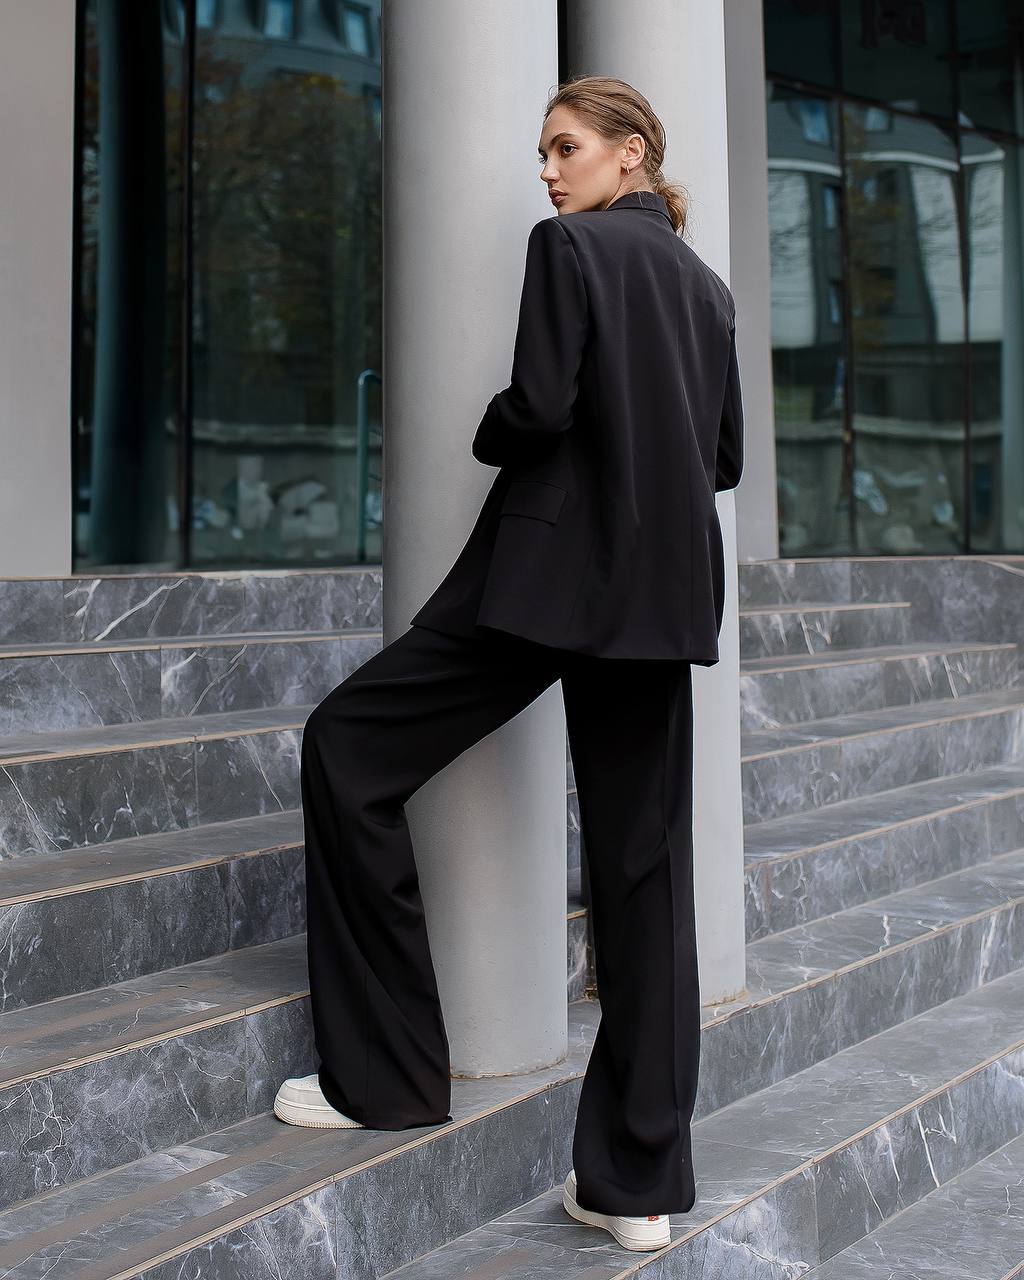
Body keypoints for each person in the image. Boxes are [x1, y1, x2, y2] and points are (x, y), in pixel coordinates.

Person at [273, 74, 744, 1254]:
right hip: (660, 597)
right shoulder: (707, 287)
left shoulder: (568, 249)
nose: (547, 170)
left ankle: (383, 1076)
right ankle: (635, 1185)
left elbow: (537, 406)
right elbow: (723, 457)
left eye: (566, 147)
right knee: (645, 878)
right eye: (544, 152)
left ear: (629, 155)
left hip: (540, 585)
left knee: (347, 744)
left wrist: (488, 426)